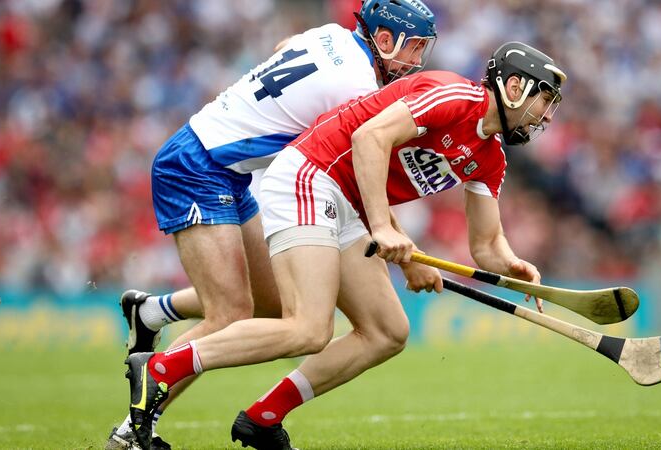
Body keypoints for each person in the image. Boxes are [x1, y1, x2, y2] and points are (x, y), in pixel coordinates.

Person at [124, 41, 565, 450]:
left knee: (387, 331)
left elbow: (486, 243)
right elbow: (368, 139)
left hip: (347, 200)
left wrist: (510, 264)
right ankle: (162, 368)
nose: (545, 117)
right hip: (311, 174)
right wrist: (383, 228)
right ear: (513, 86)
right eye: (544, 101)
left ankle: (262, 419)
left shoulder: (491, 158)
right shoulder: (452, 94)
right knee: (308, 329)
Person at [106, 1, 438, 449]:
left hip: (228, 169)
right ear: (382, 39)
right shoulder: (358, 86)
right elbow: (359, 170)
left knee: (273, 304)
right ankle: (132, 430)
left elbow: (285, 47)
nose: (416, 62)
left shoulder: (332, 35)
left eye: (422, 49)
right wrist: (400, 250)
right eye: (412, 48)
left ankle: (153, 311)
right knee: (230, 313)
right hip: (197, 168)